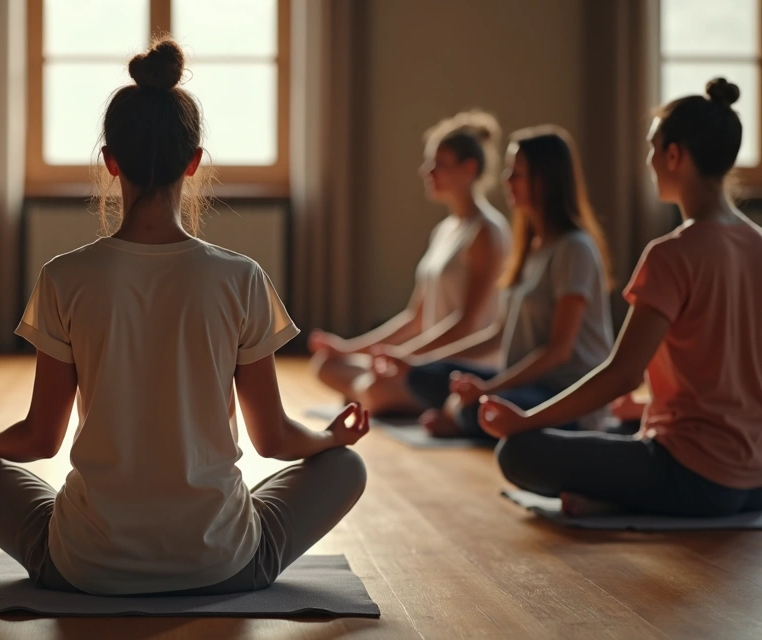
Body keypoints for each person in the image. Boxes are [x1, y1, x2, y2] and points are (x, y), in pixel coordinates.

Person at [0, 38, 370, 596]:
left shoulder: (64, 277)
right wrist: (331, 435)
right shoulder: (241, 277)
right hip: (223, 564)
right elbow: (275, 439)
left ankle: (89, 550)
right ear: (193, 163)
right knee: (347, 468)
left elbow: (40, 440)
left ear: (109, 161)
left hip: (86, 566)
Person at [481, 78, 762, 518]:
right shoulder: (757, 244)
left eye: (653, 149)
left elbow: (620, 374)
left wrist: (525, 420)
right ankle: (614, 497)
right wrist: (647, 406)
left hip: (691, 476)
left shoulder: (672, 254)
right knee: (616, 426)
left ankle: (617, 501)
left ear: (675, 156)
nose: (649, 161)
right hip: (755, 480)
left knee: (517, 451)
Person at [381, 125, 615, 438]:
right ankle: (463, 415)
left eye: (516, 173)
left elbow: (558, 351)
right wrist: (417, 359)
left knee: (476, 406)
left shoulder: (575, 248)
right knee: (420, 375)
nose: (506, 180)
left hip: (562, 395)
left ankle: (461, 417)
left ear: (544, 180)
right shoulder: (531, 247)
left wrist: (487, 389)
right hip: (519, 382)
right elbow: (498, 333)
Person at [309, 112, 510, 415]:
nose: (426, 171)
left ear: (469, 169)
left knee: (373, 389)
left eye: (439, 164)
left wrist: (407, 360)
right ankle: (380, 393)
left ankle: (395, 396)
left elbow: (467, 325)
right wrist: (349, 348)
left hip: (459, 366)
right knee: (326, 364)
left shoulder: (488, 232)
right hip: (421, 359)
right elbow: (414, 317)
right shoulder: (444, 231)